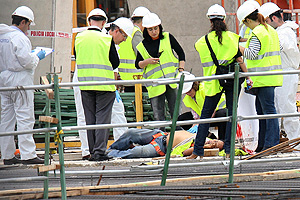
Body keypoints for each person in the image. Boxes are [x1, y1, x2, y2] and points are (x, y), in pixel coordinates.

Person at [187, 4, 252, 160]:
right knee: (231, 115)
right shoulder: (232, 38)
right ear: (224, 19)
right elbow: (239, 53)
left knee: (205, 117)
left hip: (212, 82)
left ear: (210, 21)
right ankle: (229, 150)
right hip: (231, 80)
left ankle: (197, 151)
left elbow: (197, 48)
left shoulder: (202, 42)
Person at [75, 9, 133, 161]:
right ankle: (99, 152)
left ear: (89, 21)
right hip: (104, 86)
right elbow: (115, 62)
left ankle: (91, 150)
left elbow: (77, 56)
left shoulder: (79, 37)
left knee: (89, 119)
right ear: (103, 23)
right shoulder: (106, 39)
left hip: (85, 85)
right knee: (102, 119)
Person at [0, 6, 46, 165]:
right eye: (28, 25)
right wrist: (37, 56)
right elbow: (27, 62)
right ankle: (28, 154)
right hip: (19, 80)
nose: (28, 29)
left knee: (6, 117)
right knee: (25, 116)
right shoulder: (19, 38)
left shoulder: (3, 36)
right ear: (23, 22)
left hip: (4, 78)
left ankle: (7, 155)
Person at [237, 2, 283, 152]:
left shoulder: (257, 32)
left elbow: (251, 53)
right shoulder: (270, 30)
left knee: (267, 112)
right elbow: (278, 48)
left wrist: (236, 47)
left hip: (263, 78)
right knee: (263, 111)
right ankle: (264, 144)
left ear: (248, 20)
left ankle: (271, 144)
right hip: (269, 77)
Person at [135, 12, 186, 130]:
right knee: (159, 117)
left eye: (156, 28)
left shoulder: (168, 37)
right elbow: (138, 65)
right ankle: (161, 141)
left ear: (160, 27)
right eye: (150, 29)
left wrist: (180, 70)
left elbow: (181, 53)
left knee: (176, 114)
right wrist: (147, 61)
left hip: (171, 82)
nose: (154, 31)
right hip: (155, 85)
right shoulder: (142, 46)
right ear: (146, 30)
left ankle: (179, 138)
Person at [260, 3, 300, 144]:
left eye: (267, 22)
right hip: (279, 74)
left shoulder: (285, 32)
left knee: (287, 108)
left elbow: (279, 45)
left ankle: (296, 142)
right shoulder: (279, 32)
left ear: (274, 18)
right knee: (277, 108)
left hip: (287, 74)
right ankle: (279, 141)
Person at [107, 128, 224, 158]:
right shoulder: (202, 135)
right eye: (216, 141)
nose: (213, 142)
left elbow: (185, 152)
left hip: (161, 147)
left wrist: (204, 147)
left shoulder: (198, 148)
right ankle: (109, 150)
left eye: (215, 145)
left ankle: (109, 155)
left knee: (136, 152)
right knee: (131, 133)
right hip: (161, 135)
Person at [178, 72, 227, 141]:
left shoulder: (205, 89)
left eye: (189, 91)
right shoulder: (188, 99)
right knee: (182, 119)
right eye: (186, 92)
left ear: (194, 86)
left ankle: (222, 140)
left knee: (222, 115)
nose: (188, 94)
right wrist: (195, 124)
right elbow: (195, 115)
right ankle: (208, 137)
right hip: (204, 118)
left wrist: (200, 123)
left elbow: (213, 109)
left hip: (217, 113)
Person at [118, 6, 150, 92]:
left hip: (126, 80)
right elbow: (143, 56)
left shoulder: (126, 31)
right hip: (138, 79)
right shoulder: (136, 33)